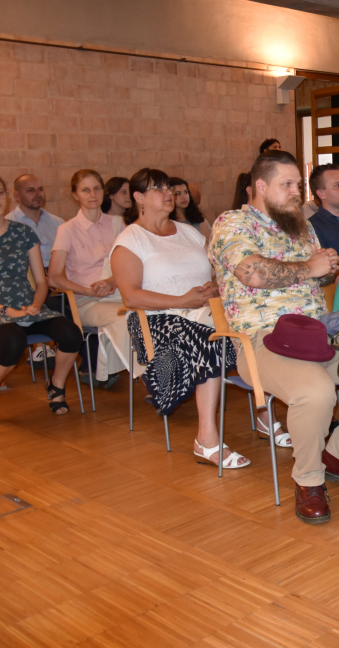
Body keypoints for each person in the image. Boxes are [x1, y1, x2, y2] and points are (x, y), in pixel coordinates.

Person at [210, 149, 339, 524]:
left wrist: (325, 269)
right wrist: (310, 266)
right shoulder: (232, 223)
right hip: (264, 338)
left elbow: (312, 279)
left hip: (319, 332)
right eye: (287, 184)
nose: (297, 192)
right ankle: (309, 479)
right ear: (261, 186)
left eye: (298, 184)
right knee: (317, 393)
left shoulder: (300, 228)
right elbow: (252, 273)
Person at [110, 168, 246, 467]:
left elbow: (216, 273)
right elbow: (131, 296)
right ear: (138, 197)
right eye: (158, 188)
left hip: (204, 311)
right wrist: (182, 300)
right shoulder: (130, 240)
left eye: (168, 187)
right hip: (157, 321)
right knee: (212, 340)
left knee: (253, 331)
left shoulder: (189, 233)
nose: (168, 193)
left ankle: (265, 417)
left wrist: (215, 287)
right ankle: (206, 440)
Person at [0, 172, 83, 419]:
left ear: (7, 195)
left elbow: (41, 281)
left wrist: (37, 304)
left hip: (29, 306)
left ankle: (56, 386)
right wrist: (7, 311)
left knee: (72, 334)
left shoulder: (24, 232)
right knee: (13, 341)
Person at [48, 169, 130, 388]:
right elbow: (53, 278)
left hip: (121, 293)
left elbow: (131, 264)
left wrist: (112, 281)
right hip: (88, 300)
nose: (93, 194)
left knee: (152, 315)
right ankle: (155, 381)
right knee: (128, 320)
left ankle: (157, 377)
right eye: (85, 190)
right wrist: (87, 290)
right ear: (75, 195)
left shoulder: (119, 223)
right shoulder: (67, 230)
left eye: (97, 188)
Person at [6, 174, 64, 268]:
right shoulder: (7, 224)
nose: (38, 194)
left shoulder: (58, 223)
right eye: (31, 190)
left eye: (40, 189)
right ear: (17, 196)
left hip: (57, 274)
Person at [169, 177, 210, 241]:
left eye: (186, 192)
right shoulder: (167, 221)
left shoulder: (198, 218)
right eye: (178, 193)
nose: (184, 197)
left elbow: (208, 243)